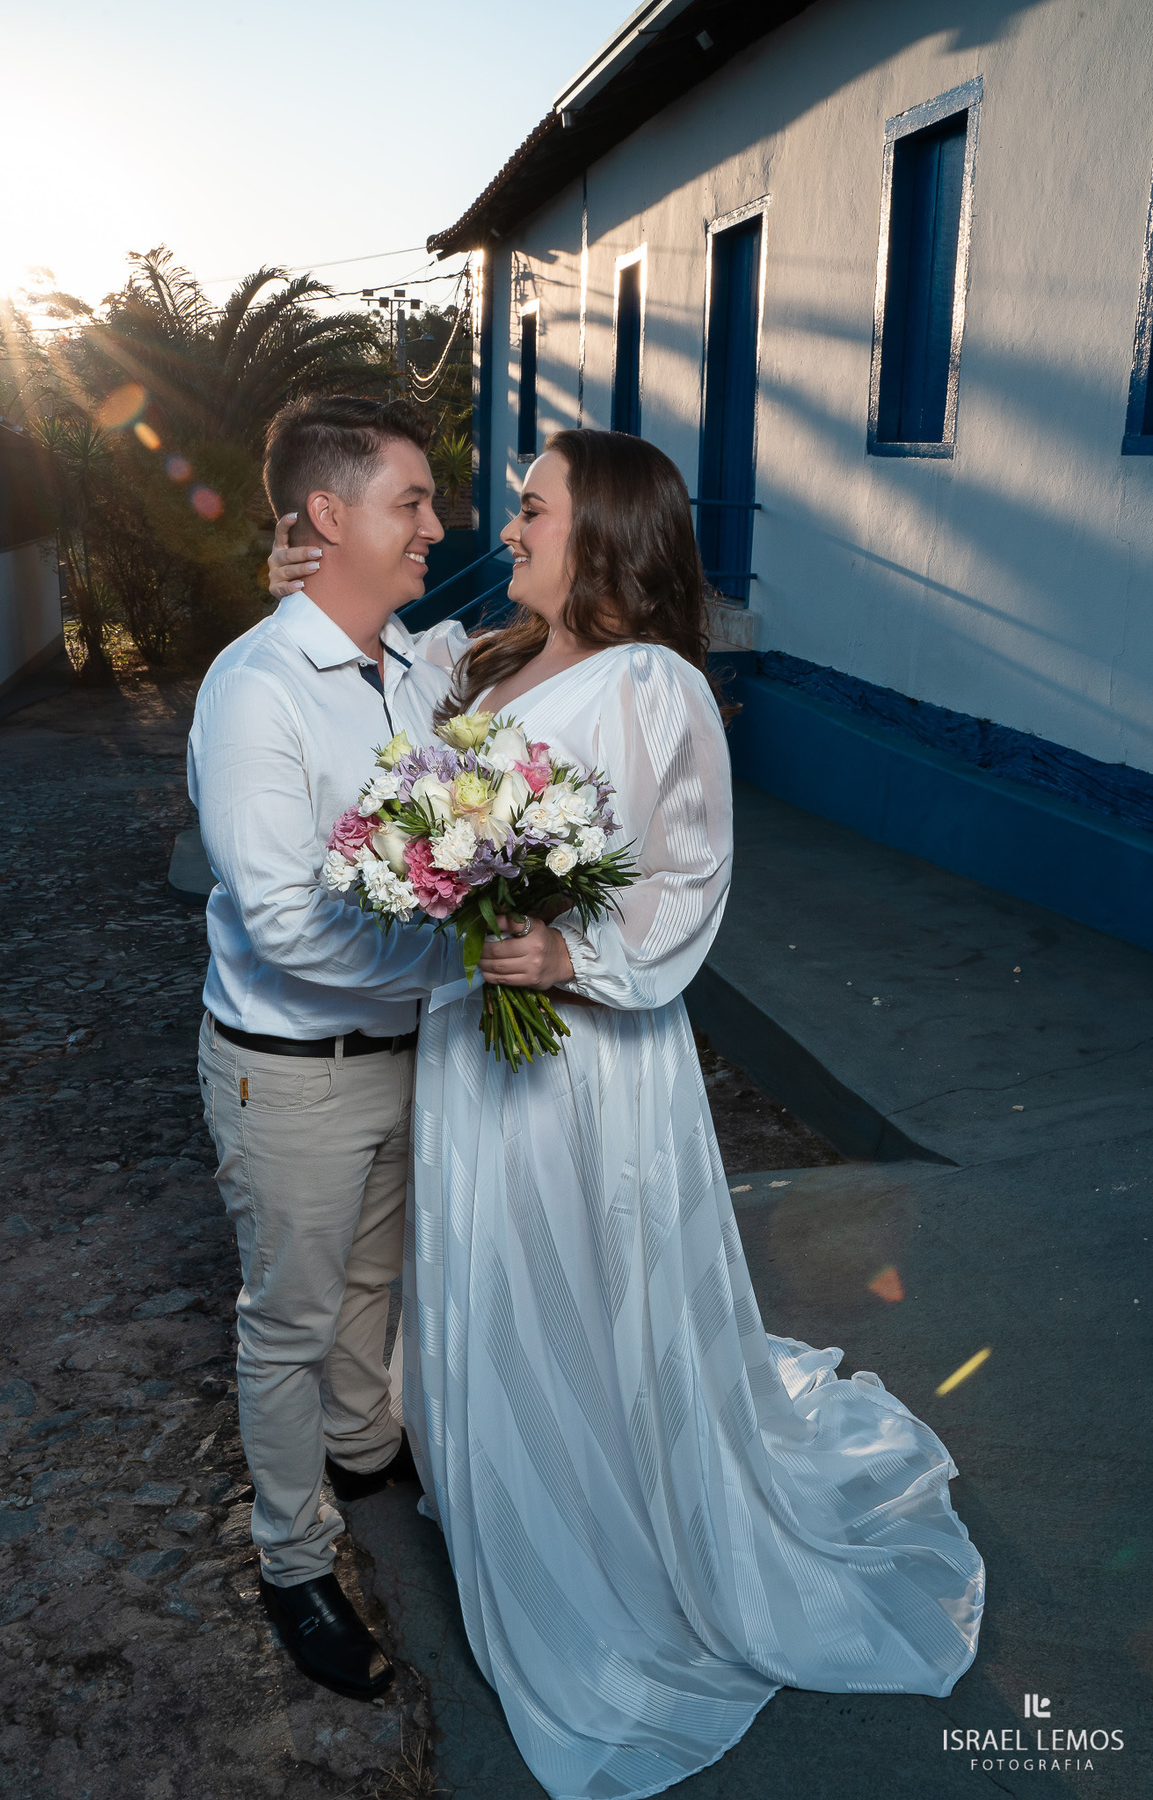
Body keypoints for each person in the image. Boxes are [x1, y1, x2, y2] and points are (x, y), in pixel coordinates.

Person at [268, 429, 984, 1797]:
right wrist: (311, 579)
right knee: (493, 1269)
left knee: (583, 1271)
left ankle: (609, 1522)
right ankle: (512, 1484)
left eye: (534, 509)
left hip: (583, 1059)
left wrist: (571, 955)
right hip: (476, 1038)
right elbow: (390, 687)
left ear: (604, 534)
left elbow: (687, 880)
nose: (510, 526)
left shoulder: (655, 683)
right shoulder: (483, 659)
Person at [190, 395, 467, 1701]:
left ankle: (364, 1452)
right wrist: (460, 965)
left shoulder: (410, 665)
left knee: (373, 1280)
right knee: (289, 1324)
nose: (437, 526)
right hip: (293, 1074)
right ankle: (293, 1561)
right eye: (412, 501)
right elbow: (284, 919)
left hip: (404, 1053)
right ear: (326, 516)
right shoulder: (256, 690)